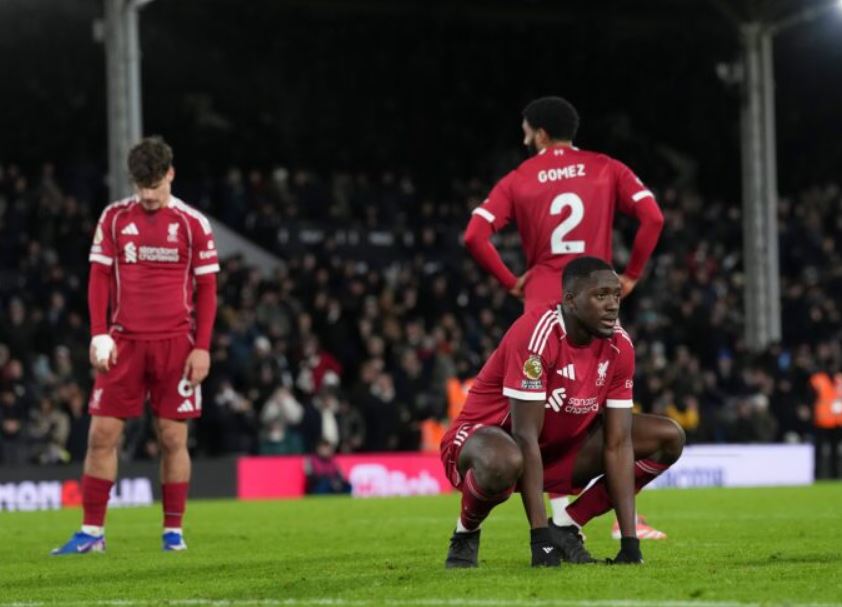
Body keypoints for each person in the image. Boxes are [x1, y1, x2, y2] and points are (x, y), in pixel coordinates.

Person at [463, 96, 666, 539]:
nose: (523, 139)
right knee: (603, 408)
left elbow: (475, 235)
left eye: (525, 131)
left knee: (550, 413)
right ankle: (606, 518)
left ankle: (555, 517)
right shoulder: (606, 167)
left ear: (539, 133)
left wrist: (510, 281)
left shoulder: (519, 178)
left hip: (543, 303)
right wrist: (632, 275)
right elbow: (652, 217)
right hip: (595, 297)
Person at [439, 257, 684, 568]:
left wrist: (630, 544)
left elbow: (619, 443)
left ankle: (567, 525)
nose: (612, 305)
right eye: (600, 295)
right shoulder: (536, 334)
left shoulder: (619, 346)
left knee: (669, 437)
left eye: (616, 295)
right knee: (505, 460)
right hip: (488, 441)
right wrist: (539, 539)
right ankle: (466, 532)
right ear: (570, 300)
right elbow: (524, 436)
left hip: (556, 449)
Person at [51, 137, 219, 555]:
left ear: (171, 174)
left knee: (172, 438)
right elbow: (99, 277)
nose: (148, 196)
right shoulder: (113, 218)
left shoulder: (193, 223)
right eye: (141, 187)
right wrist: (99, 332)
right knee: (101, 435)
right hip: (124, 344)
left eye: (155, 186)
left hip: (175, 345)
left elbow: (208, 290)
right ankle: (92, 532)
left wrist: (202, 346)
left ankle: (173, 533)